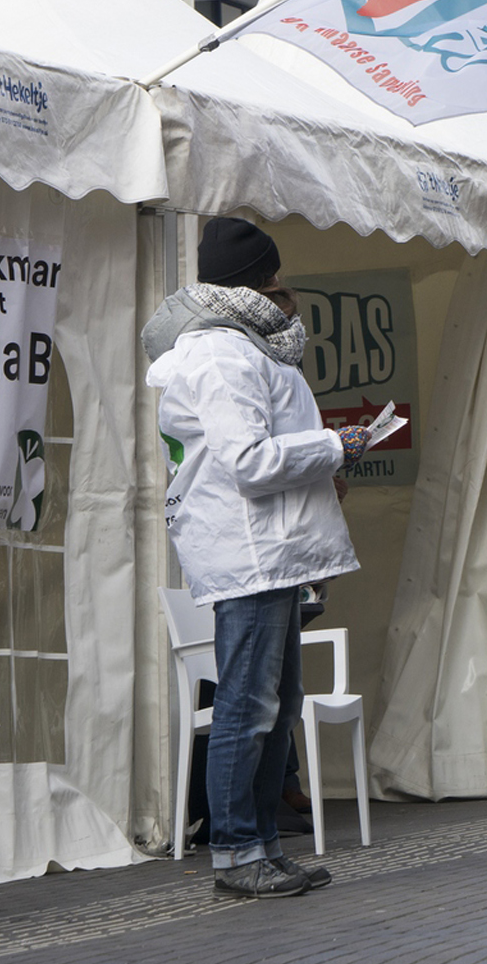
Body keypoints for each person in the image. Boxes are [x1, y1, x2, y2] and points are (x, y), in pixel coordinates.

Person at [142, 217, 369, 898]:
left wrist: (323, 456)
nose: (288, 294)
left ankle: (262, 844)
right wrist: (336, 447)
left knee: (277, 700)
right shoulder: (223, 355)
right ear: (263, 282)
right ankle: (238, 850)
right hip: (250, 551)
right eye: (279, 279)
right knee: (249, 703)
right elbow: (249, 461)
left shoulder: (242, 348)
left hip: (269, 550)